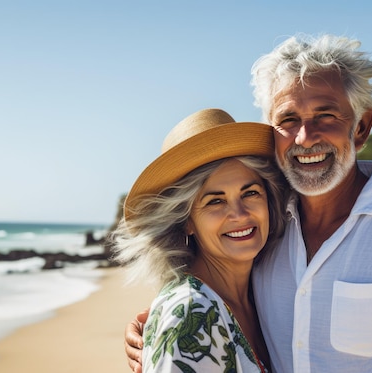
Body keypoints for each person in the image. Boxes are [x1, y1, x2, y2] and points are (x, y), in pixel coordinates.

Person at [125, 34, 372, 372]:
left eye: (325, 114)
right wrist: (165, 327)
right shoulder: (264, 233)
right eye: (288, 119)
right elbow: (205, 305)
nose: (305, 137)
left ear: (360, 127)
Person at [112, 108, 289, 372]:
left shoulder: (266, 291)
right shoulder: (188, 315)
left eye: (250, 193)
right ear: (186, 222)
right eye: (215, 201)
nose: (239, 214)